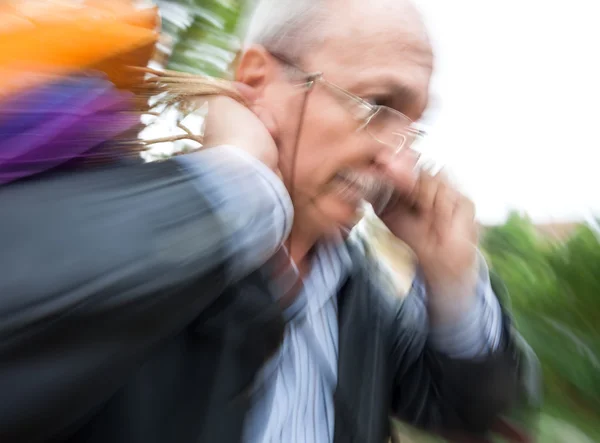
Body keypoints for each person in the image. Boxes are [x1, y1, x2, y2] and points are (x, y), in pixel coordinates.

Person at [0, 0, 539, 442]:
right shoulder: (124, 228)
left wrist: (452, 277)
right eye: (376, 107)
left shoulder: (360, 291)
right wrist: (240, 187)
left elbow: (464, 409)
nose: (400, 169)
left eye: (410, 130)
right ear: (257, 79)